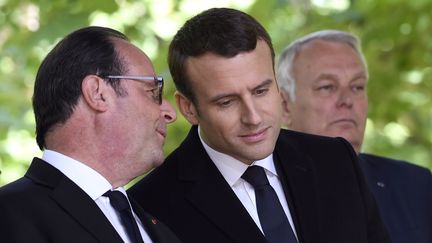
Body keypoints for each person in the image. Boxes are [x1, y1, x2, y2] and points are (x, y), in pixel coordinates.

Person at [128, 8, 391, 243]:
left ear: (277, 84)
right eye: (227, 102)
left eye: (261, 91)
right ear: (189, 108)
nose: (253, 117)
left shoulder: (335, 160)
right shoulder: (150, 206)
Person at [0, 26, 182, 243]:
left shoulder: (159, 229)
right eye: (153, 91)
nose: (170, 113)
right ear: (98, 93)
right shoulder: (9, 216)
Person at [276, 29, 432, 243]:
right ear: (284, 106)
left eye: (357, 86)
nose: (347, 100)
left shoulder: (415, 186)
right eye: (327, 87)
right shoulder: (263, 194)